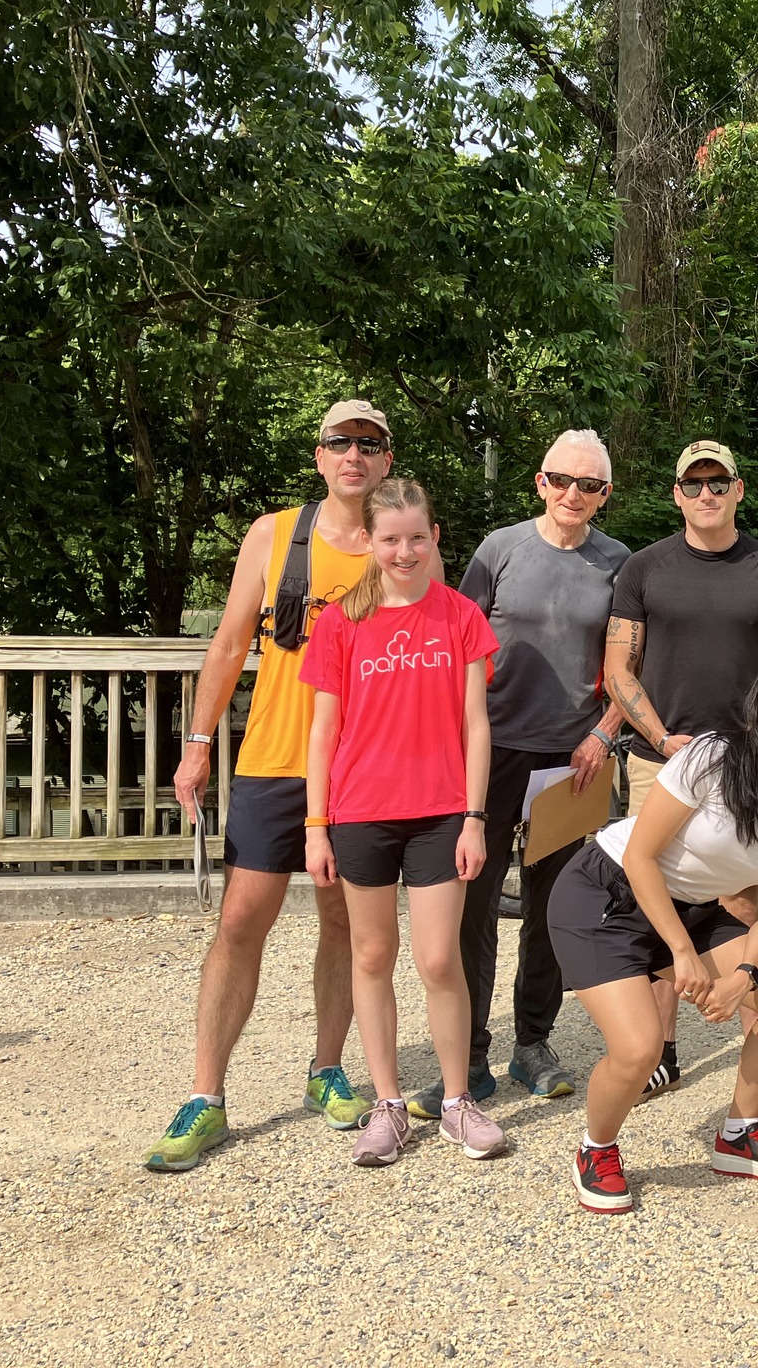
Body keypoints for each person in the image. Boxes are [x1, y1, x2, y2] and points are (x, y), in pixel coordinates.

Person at [147, 398, 412, 1173]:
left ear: (386, 459)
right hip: (271, 756)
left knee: (343, 919)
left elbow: (421, 654)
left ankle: (327, 1070)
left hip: (361, 767)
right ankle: (206, 1095)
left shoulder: (398, 540)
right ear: (320, 454)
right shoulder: (274, 534)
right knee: (240, 919)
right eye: (341, 442)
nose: (354, 454)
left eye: (369, 443)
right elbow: (230, 644)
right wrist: (198, 745)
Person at [550, 645, 758, 1213]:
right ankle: (596, 1148)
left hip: (692, 908)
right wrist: (681, 951)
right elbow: (640, 857)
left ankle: (739, 1135)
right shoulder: (711, 757)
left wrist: (746, 976)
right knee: (639, 1049)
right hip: (604, 894)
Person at [406, 431, 631, 1117]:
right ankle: (469, 1055)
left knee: (554, 909)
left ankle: (533, 1042)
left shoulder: (620, 562)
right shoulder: (499, 549)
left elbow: (628, 665)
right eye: (562, 480)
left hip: (575, 759)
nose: (573, 495)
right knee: (472, 907)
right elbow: (454, 640)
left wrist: (603, 734)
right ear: (540, 482)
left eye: (589, 486)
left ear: (605, 495)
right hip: (490, 752)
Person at [300, 478, 508, 1165]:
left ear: (435, 538)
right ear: (368, 542)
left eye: (417, 537)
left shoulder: (460, 618)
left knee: (440, 958)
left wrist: (476, 818)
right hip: (360, 813)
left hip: (443, 811)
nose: (405, 550)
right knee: (369, 955)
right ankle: (387, 1105)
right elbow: (322, 731)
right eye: (390, 539)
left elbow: (477, 726)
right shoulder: (339, 622)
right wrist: (315, 823)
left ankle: (455, 1101)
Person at [604, 439, 758, 1103]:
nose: (706, 494)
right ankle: (660, 1049)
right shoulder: (644, 569)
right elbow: (617, 668)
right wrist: (664, 737)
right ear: (676, 494)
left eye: (717, 481)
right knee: (652, 897)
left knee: (743, 900)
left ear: (738, 489)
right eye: (692, 484)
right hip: (657, 756)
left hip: (749, 764)